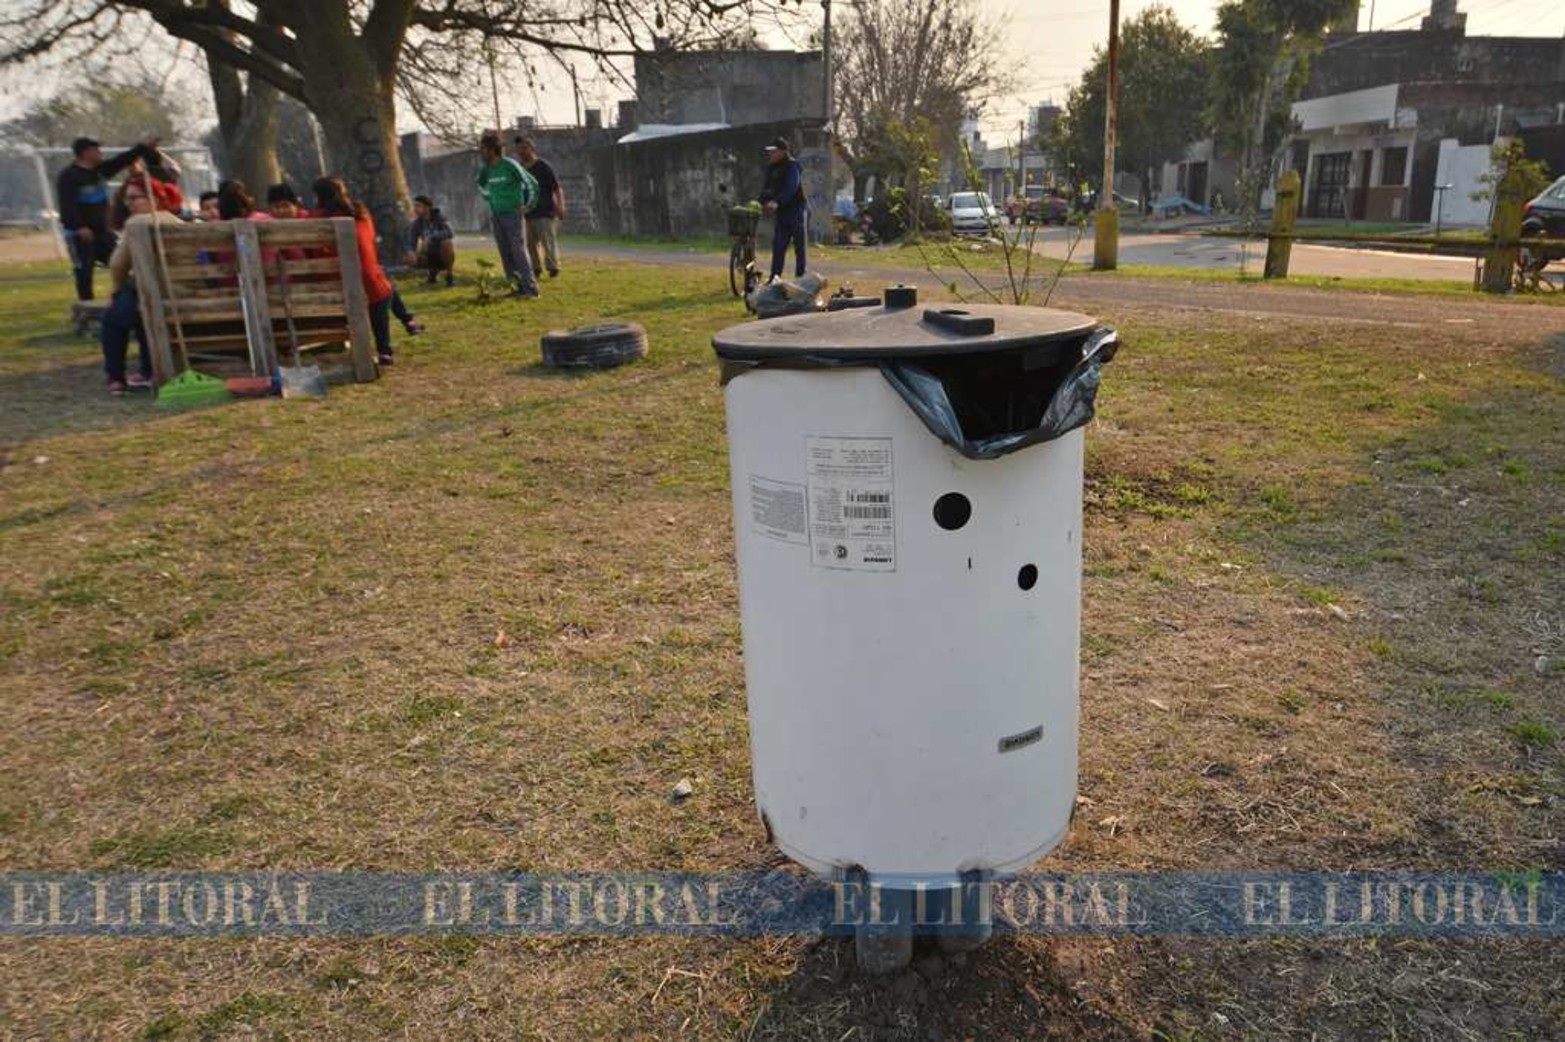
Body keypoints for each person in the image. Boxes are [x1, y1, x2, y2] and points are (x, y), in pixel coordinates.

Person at [100, 172, 183, 395]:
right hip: (182, 293)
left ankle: (115, 377)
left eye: (135, 197)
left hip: (151, 293)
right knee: (135, 310)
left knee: (114, 316)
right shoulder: (178, 222)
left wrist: (115, 291)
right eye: (127, 199)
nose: (129, 204)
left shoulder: (137, 223)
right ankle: (148, 370)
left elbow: (117, 264)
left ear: (154, 199)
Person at [55, 135, 158, 300]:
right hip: (80, 235)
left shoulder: (100, 171)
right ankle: (86, 305)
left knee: (120, 263)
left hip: (103, 232)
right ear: (86, 153)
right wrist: (79, 227)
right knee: (84, 272)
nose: (100, 153)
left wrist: (142, 148)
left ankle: (124, 298)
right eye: (96, 150)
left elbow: (121, 160)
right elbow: (66, 205)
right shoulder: (69, 176)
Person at [313, 176, 401, 366]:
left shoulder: (317, 218)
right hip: (370, 280)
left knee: (379, 287)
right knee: (383, 289)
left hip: (337, 285)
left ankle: (404, 321)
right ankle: (385, 348)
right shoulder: (360, 212)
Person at [475, 133, 539, 298]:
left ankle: (530, 290)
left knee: (518, 251)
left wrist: (528, 205)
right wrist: (490, 197)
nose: (480, 152)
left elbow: (531, 183)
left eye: (482, 149)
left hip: (513, 215)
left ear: (492, 150)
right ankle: (515, 287)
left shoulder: (510, 165)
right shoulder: (486, 170)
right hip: (497, 216)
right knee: (505, 252)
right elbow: (480, 184)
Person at [758, 137, 808, 281]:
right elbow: (767, 188)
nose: (771, 154)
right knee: (778, 246)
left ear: (783, 151)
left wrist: (777, 202)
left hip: (796, 210)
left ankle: (800, 278)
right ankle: (775, 278)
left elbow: (791, 187)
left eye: (774, 151)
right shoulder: (771, 168)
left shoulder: (793, 166)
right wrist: (761, 201)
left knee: (799, 248)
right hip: (782, 213)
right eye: (770, 152)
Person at [514, 136, 564, 279]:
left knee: (548, 242)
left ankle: (553, 268)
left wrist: (560, 206)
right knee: (529, 245)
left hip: (544, 212)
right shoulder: (519, 169)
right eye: (519, 149)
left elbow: (556, 188)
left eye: (524, 148)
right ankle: (535, 269)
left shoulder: (543, 166)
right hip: (527, 213)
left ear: (531, 148)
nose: (522, 152)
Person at [406, 194, 455, 287]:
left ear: (427, 207)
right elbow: (411, 241)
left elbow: (450, 232)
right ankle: (432, 274)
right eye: (414, 206)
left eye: (418, 206)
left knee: (447, 243)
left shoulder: (440, 217)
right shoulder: (416, 223)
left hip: (441, 252)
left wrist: (431, 237)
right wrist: (411, 252)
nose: (415, 209)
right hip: (428, 253)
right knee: (407, 257)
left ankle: (449, 275)